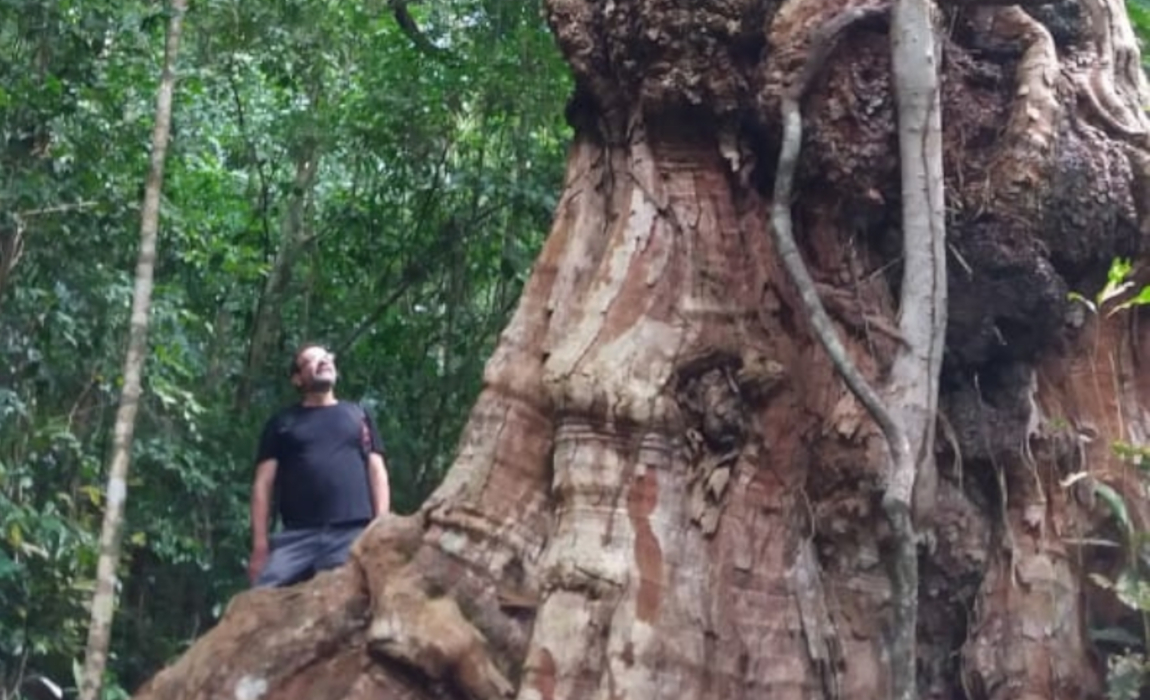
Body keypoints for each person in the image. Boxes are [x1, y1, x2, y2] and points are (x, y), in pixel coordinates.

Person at [247, 343, 390, 587]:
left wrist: (381, 527)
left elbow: (377, 471)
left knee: (353, 600)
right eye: (312, 360)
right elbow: (263, 484)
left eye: (326, 357)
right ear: (297, 379)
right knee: (261, 595)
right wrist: (260, 546)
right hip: (296, 537)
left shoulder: (358, 415)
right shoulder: (282, 423)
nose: (324, 362)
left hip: (352, 533)